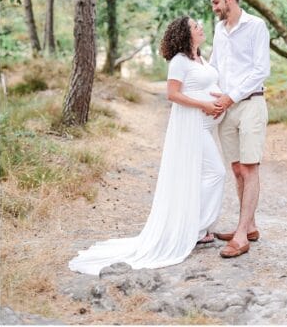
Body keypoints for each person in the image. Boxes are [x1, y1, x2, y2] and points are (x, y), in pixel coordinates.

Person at [69, 16, 226, 274]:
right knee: (216, 173)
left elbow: (207, 84)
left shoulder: (200, 58)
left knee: (200, 175)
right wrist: (205, 105)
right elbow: (172, 94)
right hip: (193, 126)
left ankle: (193, 225)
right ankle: (196, 228)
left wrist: (219, 98)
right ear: (186, 35)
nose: (200, 28)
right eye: (195, 26)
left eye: (199, 25)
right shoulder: (179, 61)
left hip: (207, 125)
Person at [207, 0, 270, 259]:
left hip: (251, 104)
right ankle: (250, 225)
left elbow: (260, 70)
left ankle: (242, 234)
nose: (214, 8)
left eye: (216, 2)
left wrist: (231, 96)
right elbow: (215, 66)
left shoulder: (256, 26)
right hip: (226, 109)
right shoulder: (219, 30)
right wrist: (208, 95)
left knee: (249, 168)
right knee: (235, 169)